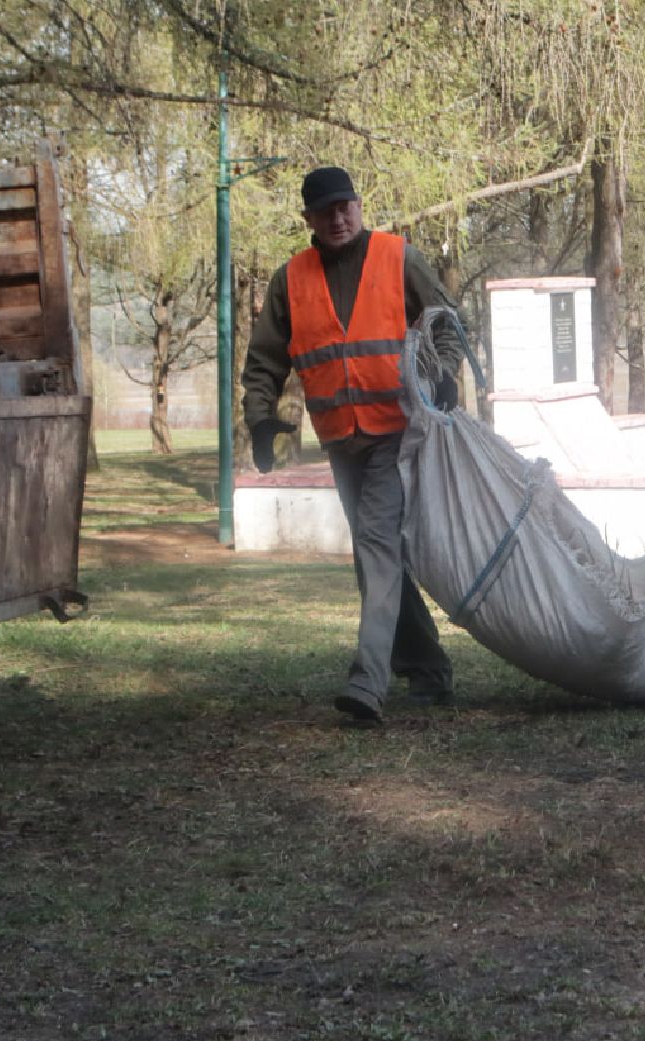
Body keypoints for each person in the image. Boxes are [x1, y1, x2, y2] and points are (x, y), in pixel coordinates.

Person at [242, 166, 463, 729]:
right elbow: (265, 359)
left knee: (376, 544)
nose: (337, 219)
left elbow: (446, 323)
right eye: (325, 212)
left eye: (345, 207)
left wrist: (444, 373)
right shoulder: (290, 280)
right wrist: (260, 418)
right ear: (309, 219)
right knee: (376, 557)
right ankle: (428, 667)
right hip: (342, 440)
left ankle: (368, 683)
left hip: (398, 430)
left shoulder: (399, 258)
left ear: (359, 206)